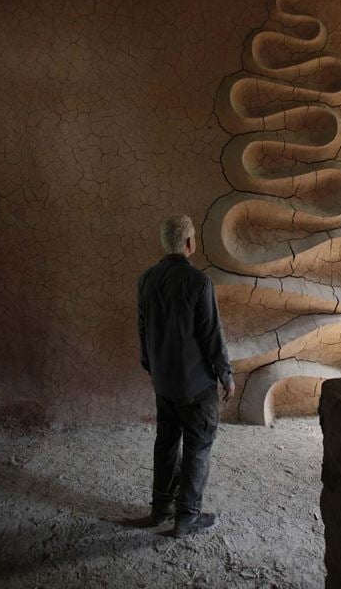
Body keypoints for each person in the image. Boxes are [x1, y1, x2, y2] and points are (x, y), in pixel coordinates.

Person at [137, 214, 235, 537]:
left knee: (166, 442)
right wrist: (226, 375)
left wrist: (152, 366)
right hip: (195, 387)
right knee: (198, 444)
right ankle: (187, 516)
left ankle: (160, 507)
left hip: (163, 383)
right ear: (190, 243)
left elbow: (143, 330)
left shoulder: (147, 280)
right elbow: (212, 336)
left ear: (164, 244)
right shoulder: (199, 282)